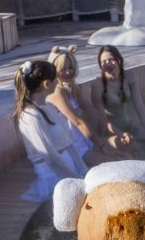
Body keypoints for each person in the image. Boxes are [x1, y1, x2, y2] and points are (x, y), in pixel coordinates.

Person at [14, 59, 89, 201]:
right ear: (46, 84)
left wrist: (84, 170)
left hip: (70, 171)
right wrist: (75, 180)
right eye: (55, 79)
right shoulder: (30, 116)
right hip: (54, 177)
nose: (58, 83)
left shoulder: (48, 106)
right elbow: (49, 156)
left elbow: (68, 143)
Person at [45, 45, 120, 164]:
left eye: (70, 68)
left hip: (81, 139)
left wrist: (115, 130)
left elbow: (93, 112)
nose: (68, 72)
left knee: (124, 150)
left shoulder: (73, 88)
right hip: (70, 146)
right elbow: (78, 122)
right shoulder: (57, 92)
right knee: (111, 161)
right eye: (62, 69)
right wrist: (101, 144)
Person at [87, 46, 145, 149]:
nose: (108, 63)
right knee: (135, 148)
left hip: (128, 125)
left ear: (119, 60)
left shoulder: (129, 77)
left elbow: (139, 105)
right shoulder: (97, 86)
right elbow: (102, 120)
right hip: (110, 131)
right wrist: (120, 135)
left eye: (111, 59)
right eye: (103, 62)